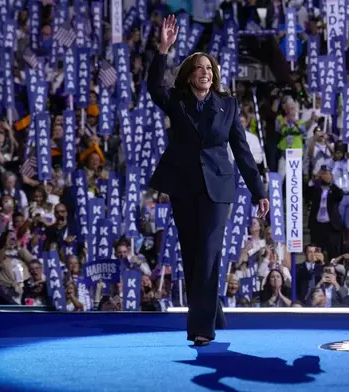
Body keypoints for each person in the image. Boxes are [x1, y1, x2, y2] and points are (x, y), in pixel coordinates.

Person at [148, 14, 269, 346]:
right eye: (199, 68)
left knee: (209, 251)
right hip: (184, 185)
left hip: (219, 186)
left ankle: (202, 328)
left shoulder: (227, 104)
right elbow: (154, 88)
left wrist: (258, 190)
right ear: (189, 76)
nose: (206, 72)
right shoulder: (177, 101)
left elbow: (242, 151)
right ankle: (212, 310)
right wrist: (163, 49)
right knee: (192, 253)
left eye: (210, 69)